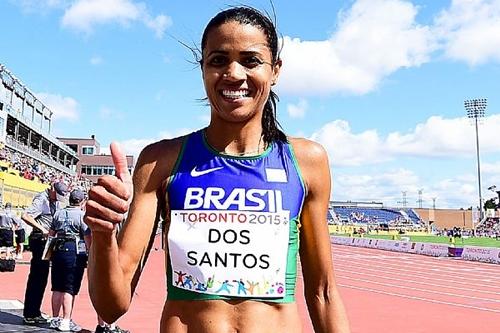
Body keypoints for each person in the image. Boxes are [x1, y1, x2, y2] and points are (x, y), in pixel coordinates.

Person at [85, 6, 350, 333]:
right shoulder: (160, 162)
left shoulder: (306, 161)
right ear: (203, 69)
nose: (234, 73)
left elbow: (323, 293)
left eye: (250, 60)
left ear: (275, 70)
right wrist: (102, 233)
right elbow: (111, 307)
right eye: (219, 60)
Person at [21, 181, 69, 325]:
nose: (57, 199)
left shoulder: (53, 201)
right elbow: (26, 215)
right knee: (37, 276)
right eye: (57, 195)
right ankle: (30, 313)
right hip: (40, 239)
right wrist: (42, 229)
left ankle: (35, 311)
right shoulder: (41, 199)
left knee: (42, 277)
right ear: (52, 189)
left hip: (48, 241)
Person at [48, 188, 89, 332]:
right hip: (74, 250)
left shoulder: (58, 213)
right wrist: (89, 254)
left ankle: (54, 318)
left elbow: (51, 233)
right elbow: (87, 238)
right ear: (82, 201)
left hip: (58, 248)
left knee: (57, 286)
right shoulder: (81, 216)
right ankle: (66, 320)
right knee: (69, 287)